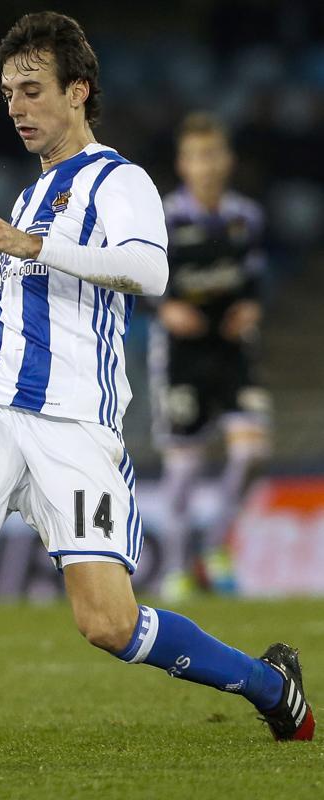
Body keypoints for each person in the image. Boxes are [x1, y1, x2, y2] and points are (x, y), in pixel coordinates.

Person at [0, 12, 312, 765]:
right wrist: (29, 239)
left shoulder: (119, 179)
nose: (16, 106)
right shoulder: (30, 193)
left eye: (32, 89)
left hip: (75, 424)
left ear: (78, 92)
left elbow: (151, 271)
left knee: (109, 623)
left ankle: (269, 686)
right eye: (9, 92)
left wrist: (35, 244)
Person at [151, 112, 270, 602]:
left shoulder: (247, 216)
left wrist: (251, 306)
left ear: (229, 160)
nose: (208, 165)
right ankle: (179, 568)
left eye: (214, 154)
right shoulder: (164, 217)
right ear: (183, 163)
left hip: (232, 350)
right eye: (198, 155)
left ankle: (215, 547)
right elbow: (136, 281)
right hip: (182, 355)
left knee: (252, 454)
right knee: (183, 469)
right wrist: (165, 307)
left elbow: (256, 277)